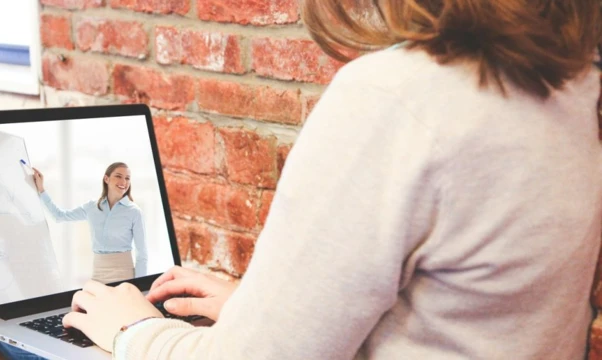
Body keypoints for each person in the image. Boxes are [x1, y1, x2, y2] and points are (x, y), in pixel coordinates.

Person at [59, 1, 602, 359]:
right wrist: (266, 311)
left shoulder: (396, 98)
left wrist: (134, 330)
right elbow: (465, 317)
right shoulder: (578, 87)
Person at [32, 162, 148, 284]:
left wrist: (140, 285)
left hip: (125, 274)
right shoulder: (92, 207)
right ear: (106, 179)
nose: (123, 182)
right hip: (98, 274)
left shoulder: (134, 212)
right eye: (118, 176)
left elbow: (142, 254)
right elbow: (59, 216)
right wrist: (41, 189)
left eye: (127, 178)